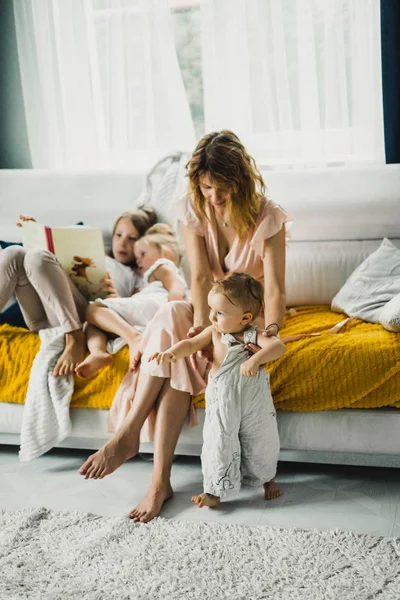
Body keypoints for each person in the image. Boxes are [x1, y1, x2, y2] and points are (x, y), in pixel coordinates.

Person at [79, 130, 292, 524]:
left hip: (250, 316)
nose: (213, 196)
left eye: (222, 187)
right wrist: (200, 332)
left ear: (241, 179)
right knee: (172, 319)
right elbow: (197, 281)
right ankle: (153, 471)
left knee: (175, 335)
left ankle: (139, 453)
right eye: (207, 186)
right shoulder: (195, 209)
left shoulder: (269, 216)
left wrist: (272, 331)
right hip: (209, 311)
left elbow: (276, 288)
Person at [150, 273, 285, 508]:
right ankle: (214, 491)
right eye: (211, 309)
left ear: (245, 318)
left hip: (254, 399)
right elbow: (191, 344)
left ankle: (267, 479)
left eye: (219, 313)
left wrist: (254, 360)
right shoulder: (214, 332)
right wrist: (171, 352)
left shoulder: (253, 335)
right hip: (223, 397)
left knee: (261, 439)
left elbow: (277, 346)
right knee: (218, 440)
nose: (212, 316)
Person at [0, 206, 157, 377]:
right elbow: (50, 270)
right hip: (45, 311)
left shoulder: (137, 275)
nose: (122, 242)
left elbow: (140, 312)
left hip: (80, 319)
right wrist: (36, 233)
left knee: (38, 256)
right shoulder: (97, 256)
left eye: (132, 238)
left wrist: (119, 300)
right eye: (118, 235)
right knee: (14, 253)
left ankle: (75, 337)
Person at [76, 224, 189, 379]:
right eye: (137, 258)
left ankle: (133, 337)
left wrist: (169, 317)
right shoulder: (145, 280)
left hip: (159, 308)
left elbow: (177, 289)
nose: (139, 261)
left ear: (166, 253)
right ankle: (98, 352)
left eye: (143, 254)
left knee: (92, 310)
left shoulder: (161, 266)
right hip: (150, 310)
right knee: (94, 323)